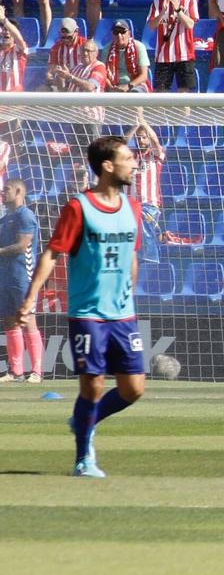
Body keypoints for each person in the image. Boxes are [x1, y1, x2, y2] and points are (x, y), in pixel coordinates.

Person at [17, 136, 145, 476]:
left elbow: (132, 252)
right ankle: (83, 458)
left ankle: (83, 419)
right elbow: (52, 253)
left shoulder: (133, 208)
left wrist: (131, 288)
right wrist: (30, 298)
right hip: (88, 313)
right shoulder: (79, 207)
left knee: (133, 389)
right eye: (128, 158)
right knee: (93, 385)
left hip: (123, 314)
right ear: (107, 165)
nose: (135, 164)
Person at [0, 179, 41, 383]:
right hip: (5, 275)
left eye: (6, 189)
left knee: (27, 319)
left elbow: (23, 245)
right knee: (9, 320)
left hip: (22, 274)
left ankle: (36, 371)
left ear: (18, 191)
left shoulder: (25, 215)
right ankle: (16, 371)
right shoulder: (4, 218)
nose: (2, 192)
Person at [147, 0, 200, 92]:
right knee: (160, 96)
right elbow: (151, 26)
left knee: (184, 98)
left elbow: (190, 24)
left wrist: (178, 10)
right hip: (163, 56)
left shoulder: (189, 0)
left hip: (184, 55)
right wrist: (162, 12)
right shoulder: (156, 2)